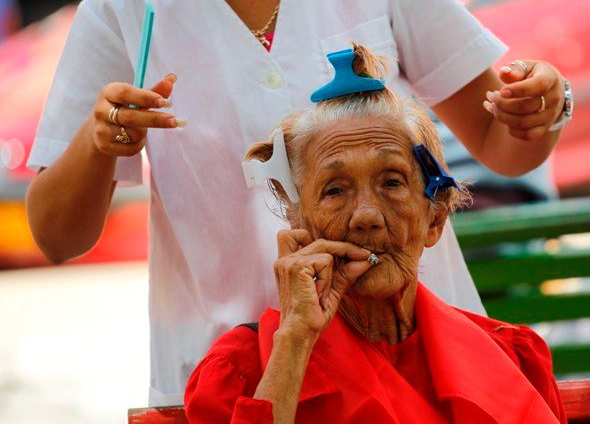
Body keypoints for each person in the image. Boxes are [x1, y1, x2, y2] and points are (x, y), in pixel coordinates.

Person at [25, 0, 569, 405]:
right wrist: (98, 144)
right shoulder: (124, 10)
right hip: (239, 381)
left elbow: (506, 146)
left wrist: (543, 106)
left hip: (419, 357)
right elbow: (57, 235)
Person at [184, 45, 567, 423]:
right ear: (299, 224)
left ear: (434, 219)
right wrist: (295, 340)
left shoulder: (512, 356)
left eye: (391, 182)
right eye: (335, 190)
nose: (366, 216)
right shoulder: (246, 370)